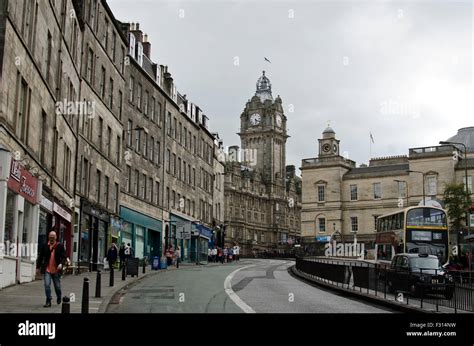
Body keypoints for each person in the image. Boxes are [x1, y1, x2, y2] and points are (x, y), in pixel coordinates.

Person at [36, 230, 67, 307]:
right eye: (50, 237)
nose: (52, 238)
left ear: (56, 237)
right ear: (48, 237)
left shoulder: (60, 246)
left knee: (57, 287)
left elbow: (64, 257)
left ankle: (59, 296)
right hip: (47, 269)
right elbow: (40, 257)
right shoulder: (45, 246)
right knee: (47, 285)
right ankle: (48, 300)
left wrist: (61, 264)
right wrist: (37, 267)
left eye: (53, 237)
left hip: (56, 270)